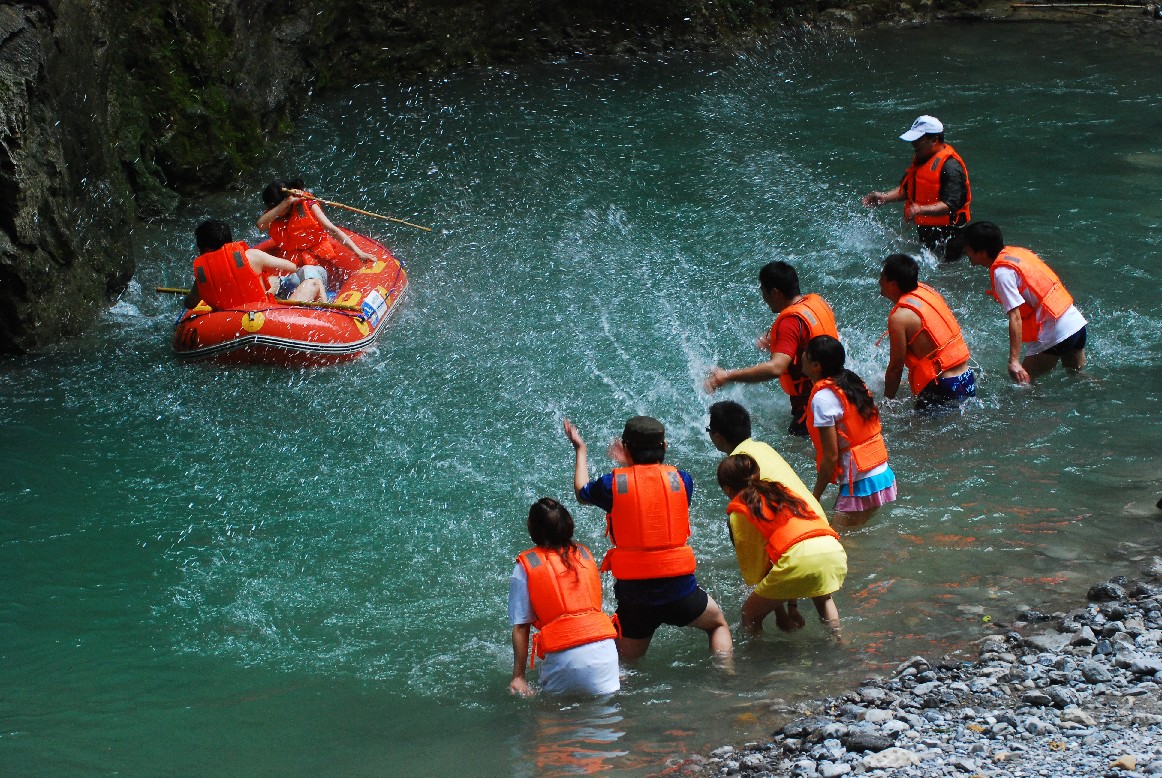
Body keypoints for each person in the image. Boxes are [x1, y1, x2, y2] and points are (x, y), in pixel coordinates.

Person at [563, 416, 733, 661]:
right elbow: (654, 489)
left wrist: (581, 448)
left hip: (636, 598)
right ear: (664, 447)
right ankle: (725, 676)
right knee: (717, 625)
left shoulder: (612, 484)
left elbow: (582, 492)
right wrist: (633, 462)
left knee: (626, 664)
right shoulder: (683, 481)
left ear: (626, 448)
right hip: (681, 593)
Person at [705, 261, 840, 437]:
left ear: (775, 292)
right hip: (838, 388)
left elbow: (776, 368)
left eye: (763, 291)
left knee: (797, 447)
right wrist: (783, 343)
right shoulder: (816, 303)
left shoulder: (790, 322)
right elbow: (816, 339)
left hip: (814, 403)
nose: (763, 298)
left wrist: (727, 376)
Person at [716, 454, 846, 636]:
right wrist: (790, 608)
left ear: (728, 489)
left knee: (749, 616)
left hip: (799, 559)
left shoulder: (741, 514)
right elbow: (790, 548)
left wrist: (781, 614)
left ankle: (760, 662)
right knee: (823, 598)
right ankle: (839, 641)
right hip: (832, 549)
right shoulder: (780, 491)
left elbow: (760, 571)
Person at [507, 497, 620, 697]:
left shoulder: (526, 566)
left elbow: (521, 627)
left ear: (533, 529)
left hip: (566, 661)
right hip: (607, 658)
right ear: (569, 524)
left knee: (551, 720)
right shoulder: (585, 555)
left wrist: (519, 677)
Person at [963, 221, 1087, 384]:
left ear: (982, 252)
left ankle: (1054, 408)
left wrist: (1014, 360)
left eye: (968, 248)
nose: (966, 252)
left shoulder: (1002, 273)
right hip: (1075, 324)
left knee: (1023, 387)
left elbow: (1015, 317)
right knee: (1079, 380)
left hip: (1054, 334)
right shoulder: (1017, 254)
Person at [802, 335, 897, 528]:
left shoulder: (823, 399)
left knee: (840, 541)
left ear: (816, 365)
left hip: (862, 483)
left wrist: (814, 498)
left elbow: (830, 456)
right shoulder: (851, 382)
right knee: (852, 536)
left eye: (806, 353)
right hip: (880, 472)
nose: (802, 355)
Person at [862, 115, 972, 262]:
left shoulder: (950, 167)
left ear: (934, 140)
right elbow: (909, 190)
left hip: (949, 235)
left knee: (946, 271)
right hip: (927, 230)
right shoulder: (921, 159)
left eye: (919, 139)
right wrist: (884, 197)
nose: (914, 143)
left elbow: (951, 205)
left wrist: (920, 210)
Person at [879, 253, 975, 411]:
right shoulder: (927, 292)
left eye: (882, 276)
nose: (879, 281)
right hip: (966, 377)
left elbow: (896, 368)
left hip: (943, 386)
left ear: (893, 284)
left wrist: (887, 402)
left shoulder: (899, 318)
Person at [256, 179, 375, 291]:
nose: (279, 212)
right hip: (293, 267)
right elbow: (260, 225)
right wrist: (284, 204)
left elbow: (331, 229)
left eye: (282, 207)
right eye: (275, 208)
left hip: (317, 265)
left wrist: (359, 253)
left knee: (307, 272)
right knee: (271, 281)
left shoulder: (307, 204)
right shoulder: (273, 214)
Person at [182, 219, 326, 309]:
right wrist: (262, 269)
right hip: (264, 316)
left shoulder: (202, 275)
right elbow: (292, 267)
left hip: (228, 325)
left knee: (273, 281)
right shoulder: (251, 256)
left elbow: (189, 304)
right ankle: (327, 313)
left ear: (205, 249)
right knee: (313, 283)